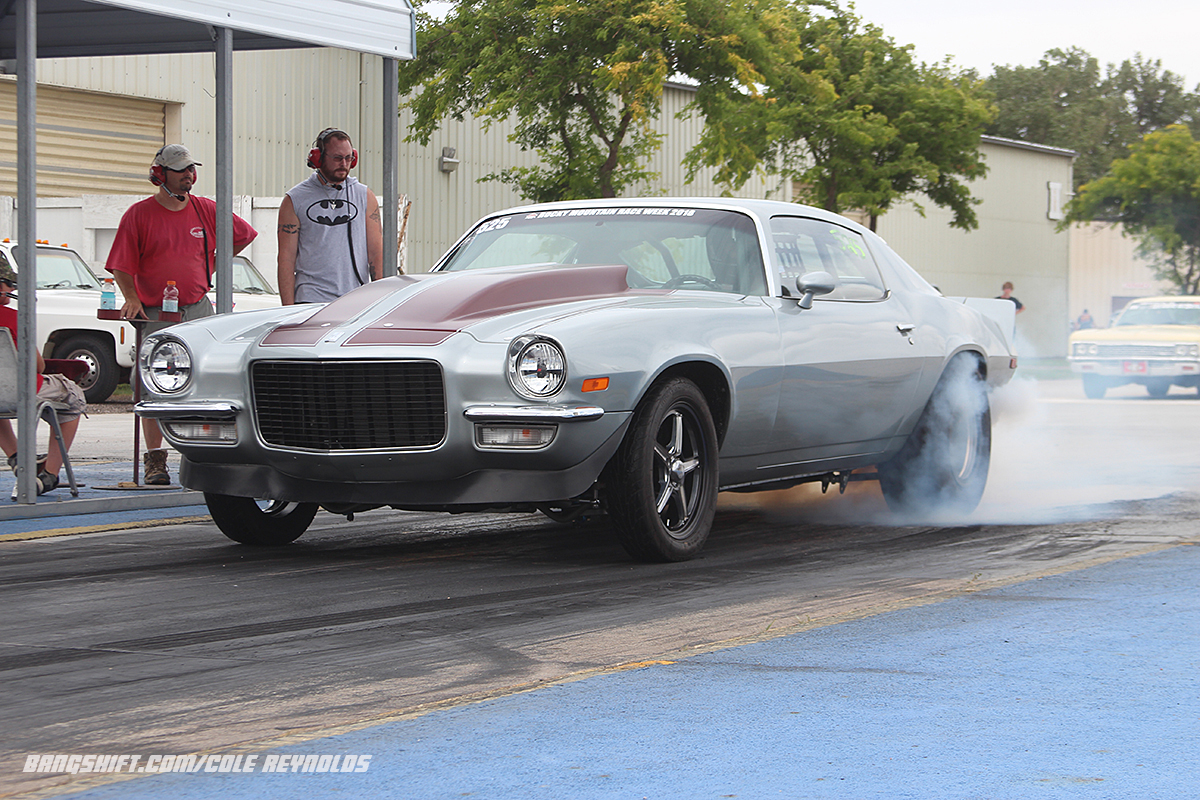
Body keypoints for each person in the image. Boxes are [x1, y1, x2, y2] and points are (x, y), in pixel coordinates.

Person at [105, 144, 258, 485]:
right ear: (160, 175)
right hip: (157, 314)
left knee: (209, 380)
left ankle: (205, 454)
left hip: (198, 308)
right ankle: (155, 461)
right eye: (181, 170)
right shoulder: (138, 215)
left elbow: (244, 234)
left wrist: (211, 265)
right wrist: (131, 298)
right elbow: (121, 264)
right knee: (150, 384)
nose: (189, 175)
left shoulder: (205, 209)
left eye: (191, 169)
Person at [0, 263, 87, 495]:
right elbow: (39, 366)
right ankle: (49, 474)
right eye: (8, 283)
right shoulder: (15, 317)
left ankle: (18, 458)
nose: (12, 288)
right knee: (73, 396)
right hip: (22, 390)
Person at [277, 128, 383, 305]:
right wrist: (288, 309)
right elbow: (286, 260)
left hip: (355, 300)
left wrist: (380, 302)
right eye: (337, 158)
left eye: (348, 158)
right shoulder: (294, 200)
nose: (344, 164)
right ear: (318, 158)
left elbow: (376, 254)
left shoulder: (365, 196)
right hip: (311, 300)